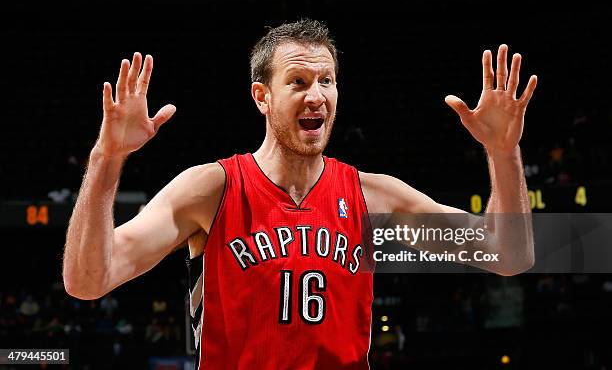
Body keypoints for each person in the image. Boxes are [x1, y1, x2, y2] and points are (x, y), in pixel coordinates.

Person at [63, 19, 537, 369]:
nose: (316, 96)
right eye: (298, 82)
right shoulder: (211, 189)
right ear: (261, 97)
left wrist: (502, 151)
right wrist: (107, 156)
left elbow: (507, 253)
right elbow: (87, 280)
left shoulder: (372, 196)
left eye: (326, 81)